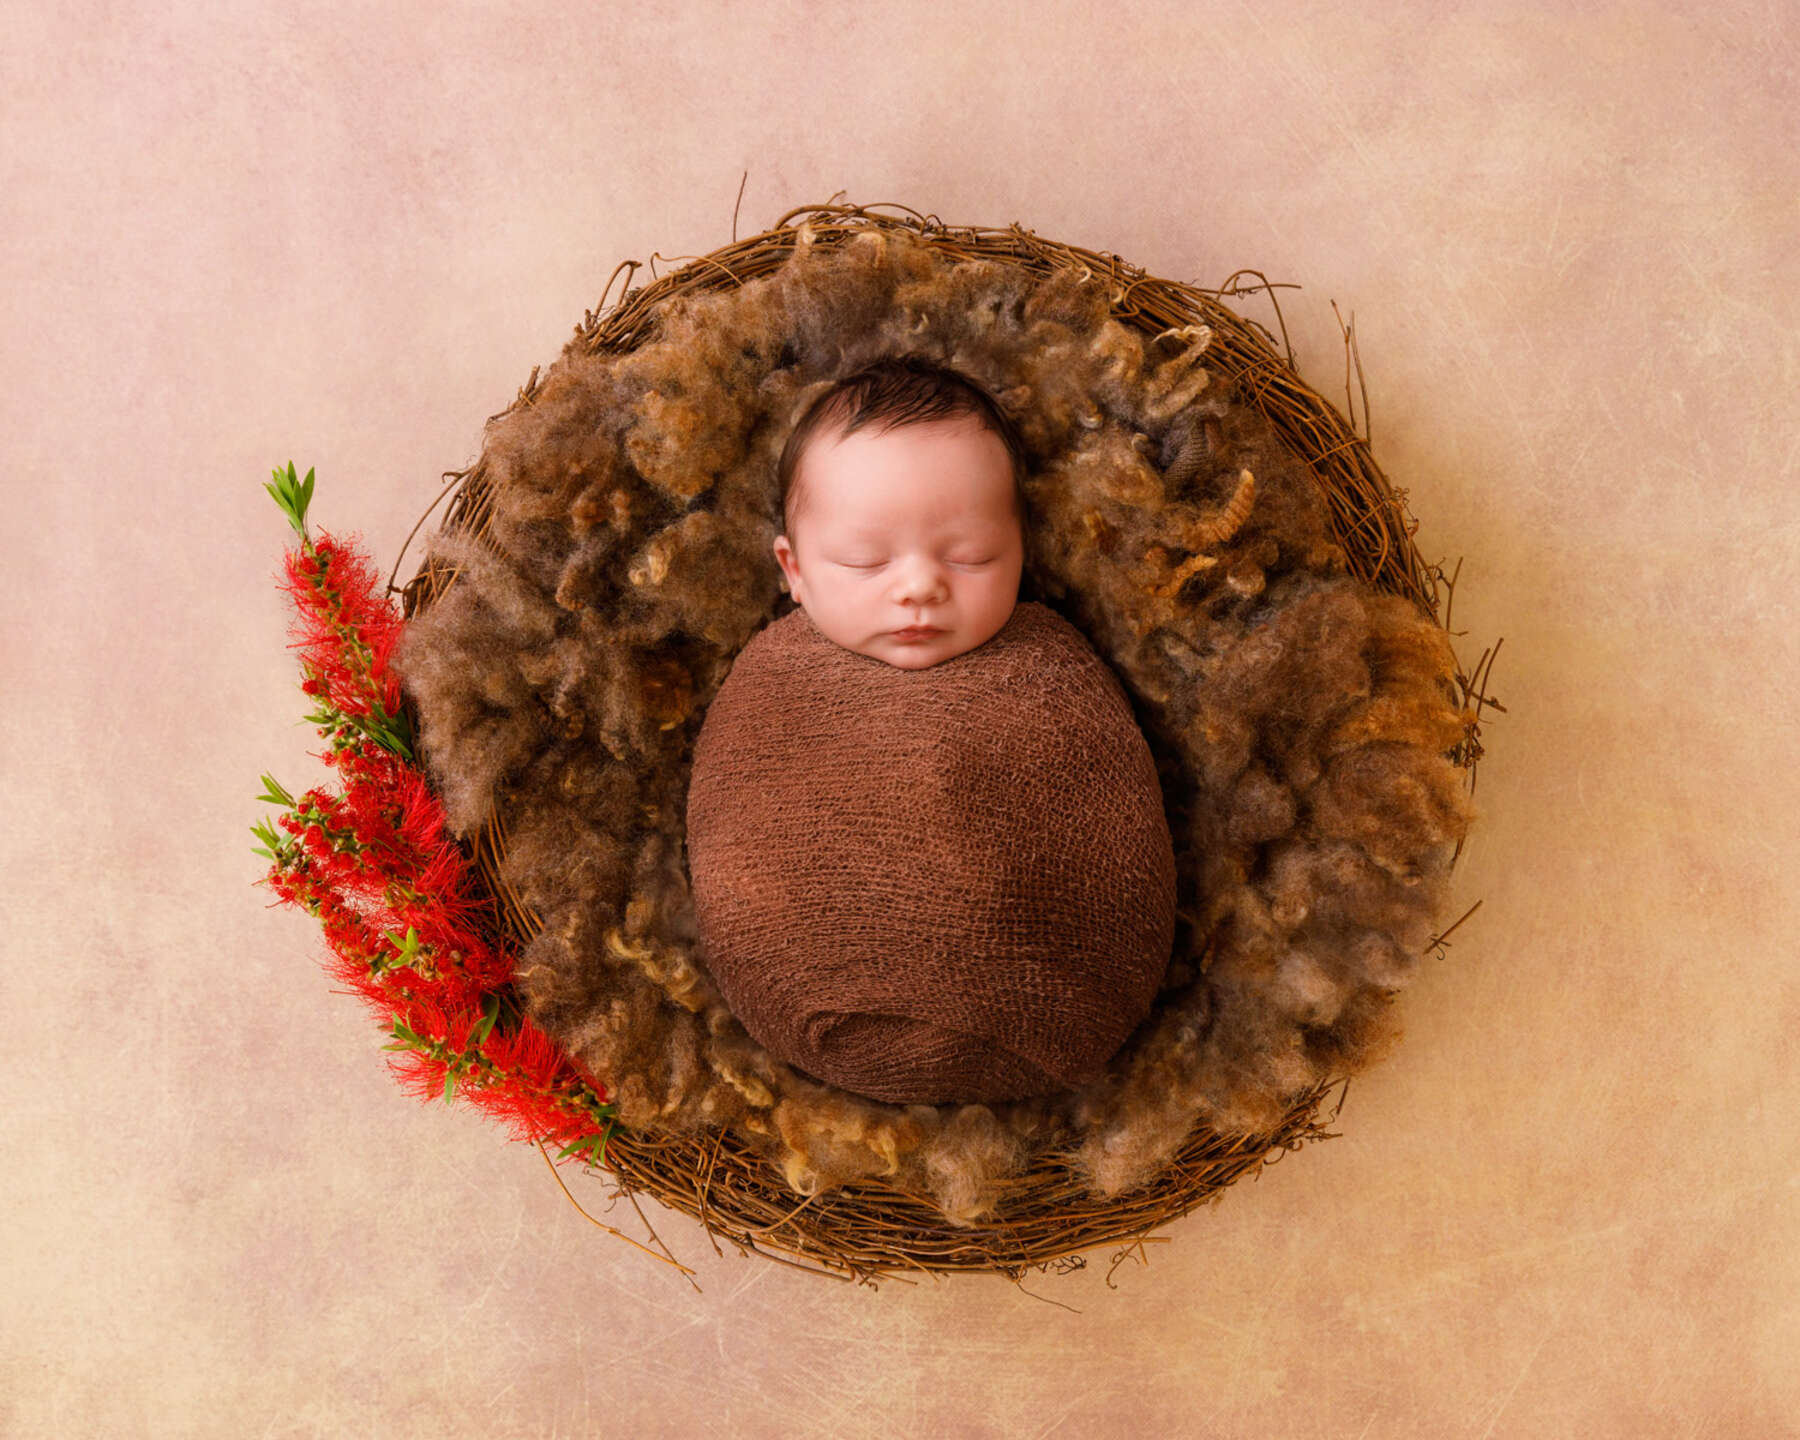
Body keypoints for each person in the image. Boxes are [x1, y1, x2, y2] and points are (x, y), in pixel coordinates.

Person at [771, 357, 1031, 671]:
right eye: (864, 559)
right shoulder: (768, 673)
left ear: (1022, 550)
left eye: (971, 557)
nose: (919, 587)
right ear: (795, 570)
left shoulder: (1050, 665)